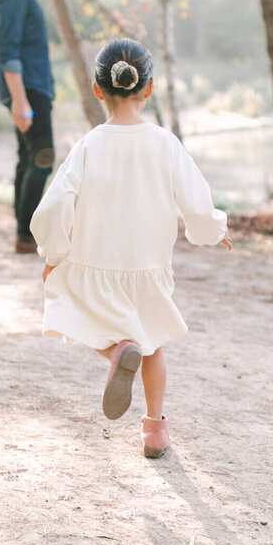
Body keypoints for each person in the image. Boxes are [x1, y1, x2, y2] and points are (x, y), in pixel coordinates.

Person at [29, 38, 231, 458]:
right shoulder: (165, 143)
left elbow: (55, 205)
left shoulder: (87, 146)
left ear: (98, 90)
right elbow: (195, 201)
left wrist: (54, 256)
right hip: (149, 265)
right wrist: (214, 229)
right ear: (149, 89)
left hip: (94, 263)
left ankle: (117, 350)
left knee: (73, 308)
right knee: (152, 342)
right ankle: (155, 430)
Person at [0, 0, 56, 254]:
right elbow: (9, 50)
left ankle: (23, 235)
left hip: (31, 87)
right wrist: (20, 100)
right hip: (28, 89)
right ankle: (27, 233)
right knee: (43, 156)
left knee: (28, 157)